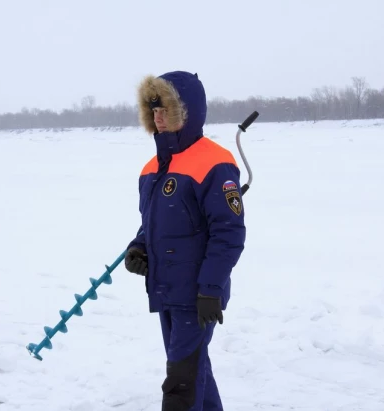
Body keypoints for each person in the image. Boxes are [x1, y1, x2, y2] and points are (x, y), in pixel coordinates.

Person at [124, 70, 246, 411]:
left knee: (181, 383)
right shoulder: (153, 167)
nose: (159, 118)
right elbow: (154, 224)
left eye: (166, 109)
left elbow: (229, 232)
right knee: (193, 370)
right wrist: (139, 246)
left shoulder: (214, 162)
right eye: (154, 110)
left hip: (197, 295)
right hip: (165, 289)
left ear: (187, 111)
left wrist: (210, 288)